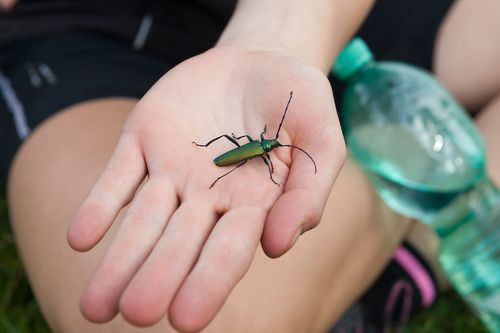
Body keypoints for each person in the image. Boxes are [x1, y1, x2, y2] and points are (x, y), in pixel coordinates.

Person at [1, 1, 499, 332]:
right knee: (139, 315)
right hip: (68, 39)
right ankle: (421, 158)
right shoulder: (259, 150)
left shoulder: (264, 145)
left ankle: (404, 232)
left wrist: (278, 41)